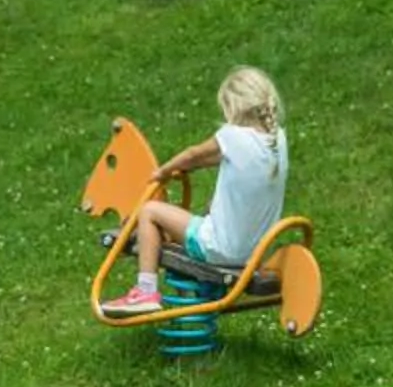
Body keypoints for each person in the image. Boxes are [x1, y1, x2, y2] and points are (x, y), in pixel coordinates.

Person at [104, 66, 289, 315]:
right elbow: (208, 158)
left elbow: (194, 154)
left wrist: (163, 172)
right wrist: (187, 167)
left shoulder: (232, 137)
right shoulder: (277, 140)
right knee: (199, 215)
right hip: (253, 254)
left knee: (149, 211)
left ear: (232, 106)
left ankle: (145, 291)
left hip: (218, 249)